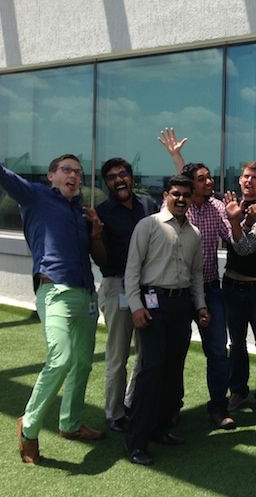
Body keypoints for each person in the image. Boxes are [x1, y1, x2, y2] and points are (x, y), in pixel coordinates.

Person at [4, 154, 106, 465]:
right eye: (66, 170)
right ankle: (29, 427)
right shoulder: (34, 196)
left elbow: (101, 258)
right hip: (55, 291)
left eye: (77, 171)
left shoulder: (81, 213)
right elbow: (5, 175)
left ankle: (70, 424)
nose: (73, 175)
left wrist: (96, 231)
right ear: (51, 176)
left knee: (83, 363)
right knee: (60, 359)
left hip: (87, 293)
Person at [124, 175, 207, 465]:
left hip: (181, 305)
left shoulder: (194, 233)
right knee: (151, 370)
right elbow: (132, 270)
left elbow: (196, 275)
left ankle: (161, 429)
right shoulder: (148, 226)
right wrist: (135, 306)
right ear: (166, 195)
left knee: (173, 370)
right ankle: (136, 441)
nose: (182, 199)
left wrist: (200, 307)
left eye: (186, 194)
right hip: (152, 305)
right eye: (176, 194)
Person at [159, 127, 238, 429]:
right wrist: (178, 158)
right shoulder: (179, 206)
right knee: (174, 351)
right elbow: (182, 186)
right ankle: (171, 407)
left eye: (209, 178)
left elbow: (236, 243)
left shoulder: (217, 207)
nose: (210, 182)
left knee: (217, 351)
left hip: (210, 289)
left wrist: (236, 220)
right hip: (178, 291)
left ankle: (218, 407)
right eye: (203, 179)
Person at [94, 158, 158, 433]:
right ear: (106, 183)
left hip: (148, 288)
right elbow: (100, 258)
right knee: (118, 354)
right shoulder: (103, 212)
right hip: (117, 285)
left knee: (147, 353)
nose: (119, 180)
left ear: (132, 178)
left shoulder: (147, 205)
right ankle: (115, 412)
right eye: (111, 177)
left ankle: (133, 403)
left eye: (123, 174)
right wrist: (95, 235)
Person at [220, 162, 256, 416]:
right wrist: (238, 219)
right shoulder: (229, 205)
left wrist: (254, 220)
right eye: (245, 177)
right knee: (237, 344)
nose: (249, 181)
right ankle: (238, 392)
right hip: (232, 285)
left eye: (255, 177)